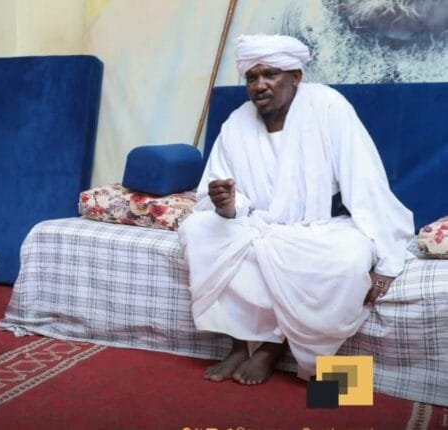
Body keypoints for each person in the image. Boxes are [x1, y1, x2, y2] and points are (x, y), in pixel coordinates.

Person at [177, 34, 413, 385]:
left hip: (319, 227)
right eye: (252, 77)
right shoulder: (237, 122)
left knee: (349, 258)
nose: (260, 85)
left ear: (296, 76)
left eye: (270, 74)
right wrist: (227, 204)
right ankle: (240, 346)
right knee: (197, 230)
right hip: (258, 224)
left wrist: (389, 260)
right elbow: (224, 196)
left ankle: (274, 351)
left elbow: (365, 182)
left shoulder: (328, 107)